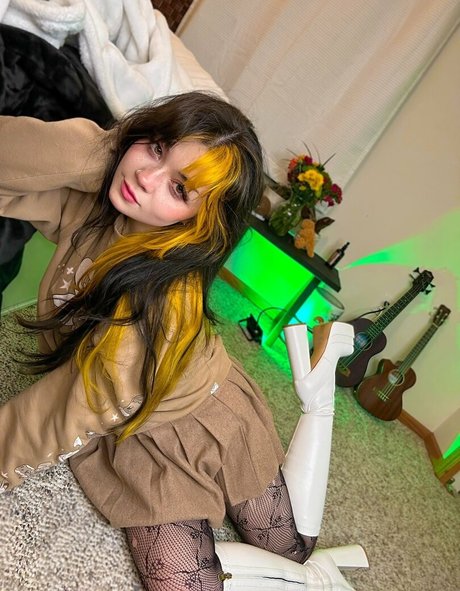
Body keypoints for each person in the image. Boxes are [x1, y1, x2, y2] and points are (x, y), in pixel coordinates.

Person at [0, 91, 365, 590]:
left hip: (199, 417)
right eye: (156, 146)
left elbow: (69, 406)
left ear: (200, 223)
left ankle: (318, 399)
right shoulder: (90, 205)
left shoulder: (165, 303)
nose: (145, 179)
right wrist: (104, 150)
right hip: (123, 419)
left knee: (292, 547)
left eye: (178, 188)